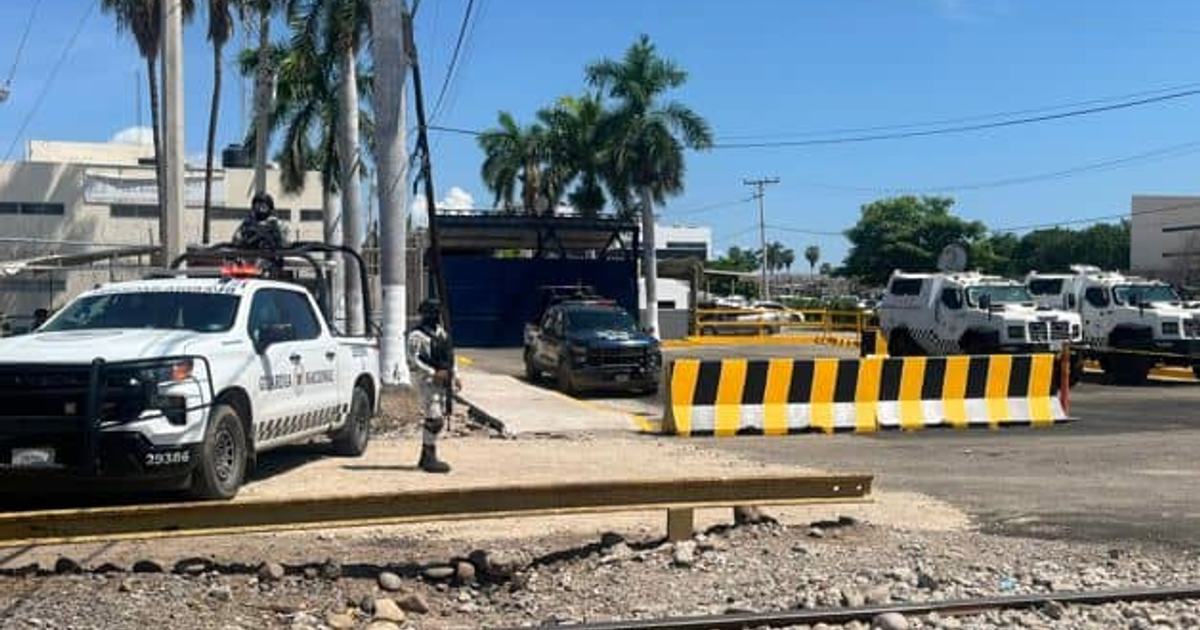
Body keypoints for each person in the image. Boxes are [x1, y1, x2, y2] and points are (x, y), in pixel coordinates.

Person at [407, 299, 454, 473]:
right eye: (431, 313)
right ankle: (429, 458)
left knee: (435, 418)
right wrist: (433, 373)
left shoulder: (442, 333)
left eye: (436, 313)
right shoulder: (416, 335)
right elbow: (413, 359)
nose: (434, 316)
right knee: (435, 420)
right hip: (424, 381)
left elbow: (449, 357)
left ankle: (426, 456)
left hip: (440, 382)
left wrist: (454, 375)